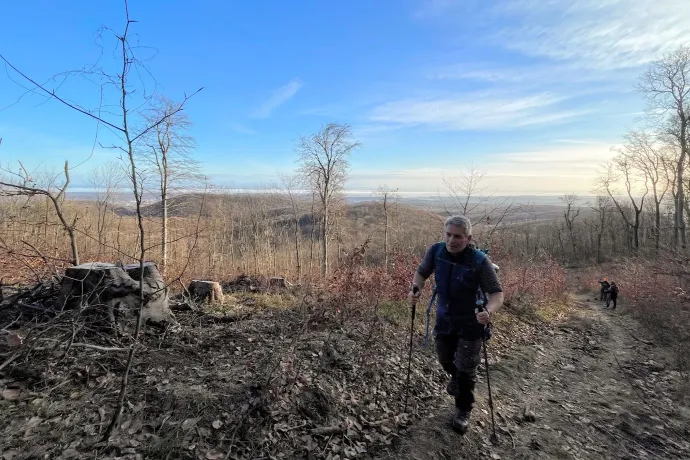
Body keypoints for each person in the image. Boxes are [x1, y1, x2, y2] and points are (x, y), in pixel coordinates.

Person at [408, 215, 504, 433]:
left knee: (466, 370)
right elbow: (421, 273)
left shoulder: (479, 261)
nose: (451, 240)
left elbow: (497, 294)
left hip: (471, 323)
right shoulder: (436, 251)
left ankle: (463, 411)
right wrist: (415, 289)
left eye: (457, 237)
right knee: (445, 360)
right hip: (444, 319)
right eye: (448, 235)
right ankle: (458, 379)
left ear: (468, 238)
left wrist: (488, 311)